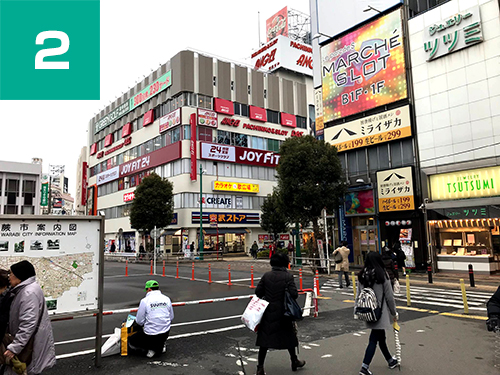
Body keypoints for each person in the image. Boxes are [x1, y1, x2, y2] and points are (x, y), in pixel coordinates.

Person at [255, 253, 305, 375]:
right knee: (289, 337)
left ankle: (260, 367)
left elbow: (258, 292)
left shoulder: (266, 276)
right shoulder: (288, 277)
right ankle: (294, 361)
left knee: (265, 340)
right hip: (284, 312)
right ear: (285, 263)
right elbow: (294, 294)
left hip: (268, 311)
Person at [5, 260, 55, 374]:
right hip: (29, 343)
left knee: (27, 369)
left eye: (11, 273)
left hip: (30, 345)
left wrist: (15, 347)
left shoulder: (28, 293)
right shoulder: (26, 289)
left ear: (20, 276)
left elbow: (28, 323)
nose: (9, 276)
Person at [357, 252, 398, 375]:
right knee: (374, 338)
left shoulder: (362, 275)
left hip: (367, 310)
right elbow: (389, 296)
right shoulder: (381, 274)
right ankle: (364, 367)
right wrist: (394, 312)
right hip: (379, 311)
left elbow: (358, 295)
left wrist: (356, 309)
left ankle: (390, 360)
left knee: (380, 337)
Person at [129, 280, 174, 358]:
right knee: (160, 331)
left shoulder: (145, 301)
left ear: (149, 289)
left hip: (151, 334)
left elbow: (139, 321)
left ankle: (150, 349)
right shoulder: (166, 299)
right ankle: (161, 345)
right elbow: (171, 317)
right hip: (165, 332)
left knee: (132, 341)